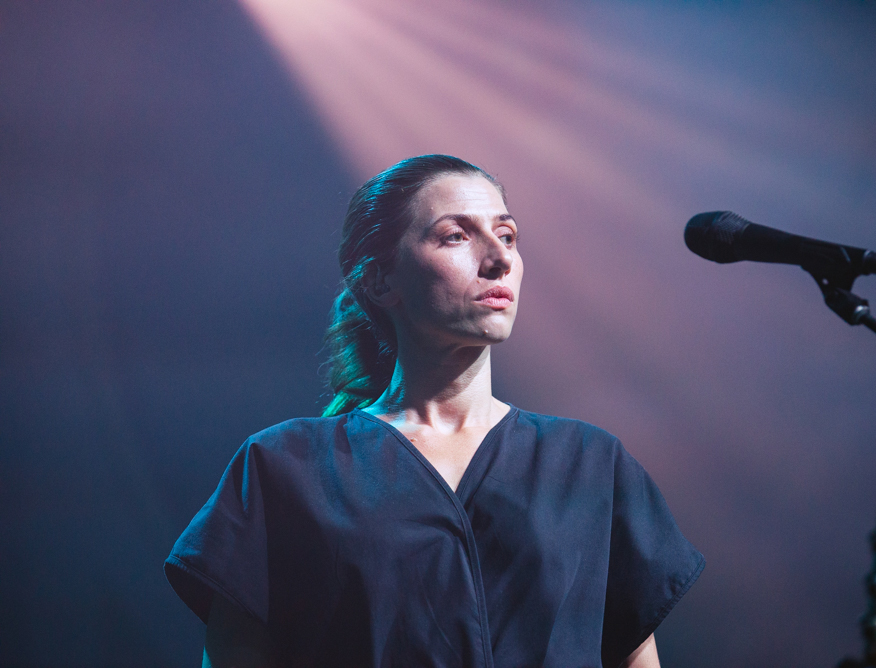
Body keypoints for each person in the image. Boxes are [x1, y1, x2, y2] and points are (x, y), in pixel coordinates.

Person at [164, 155, 704, 667]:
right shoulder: (287, 466)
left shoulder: (588, 463)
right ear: (380, 279)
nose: (499, 259)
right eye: (455, 236)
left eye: (507, 235)